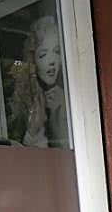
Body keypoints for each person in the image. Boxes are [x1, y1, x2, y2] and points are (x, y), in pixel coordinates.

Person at [8, 15, 68, 148]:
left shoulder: (69, 96)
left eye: (57, 52)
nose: (52, 61)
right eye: (43, 55)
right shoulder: (26, 100)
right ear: (33, 60)